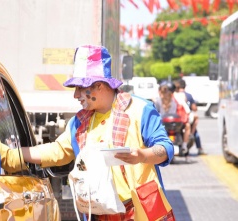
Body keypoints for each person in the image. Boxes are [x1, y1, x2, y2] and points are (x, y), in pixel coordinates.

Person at [21, 45, 175, 220]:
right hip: (99, 215)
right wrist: (13, 155)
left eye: (80, 88)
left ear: (99, 86)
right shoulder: (79, 122)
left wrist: (142, 155)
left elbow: (165, 148)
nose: (76, 95)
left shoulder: (140, 110)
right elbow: (56, 151)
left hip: (140, 212)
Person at [154, 81, 192, 157]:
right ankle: (184, 145)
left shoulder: (160, 101)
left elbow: (156, 114)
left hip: (166, 125)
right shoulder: (172, 101)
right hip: (172, 124)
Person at [175, 78, 206, 155]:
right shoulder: (188, 95)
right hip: (185, 118)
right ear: (185, 86)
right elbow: (194, 108)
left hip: (175, 118)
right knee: (195, 130)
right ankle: (199, 147)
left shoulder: (173, 94)